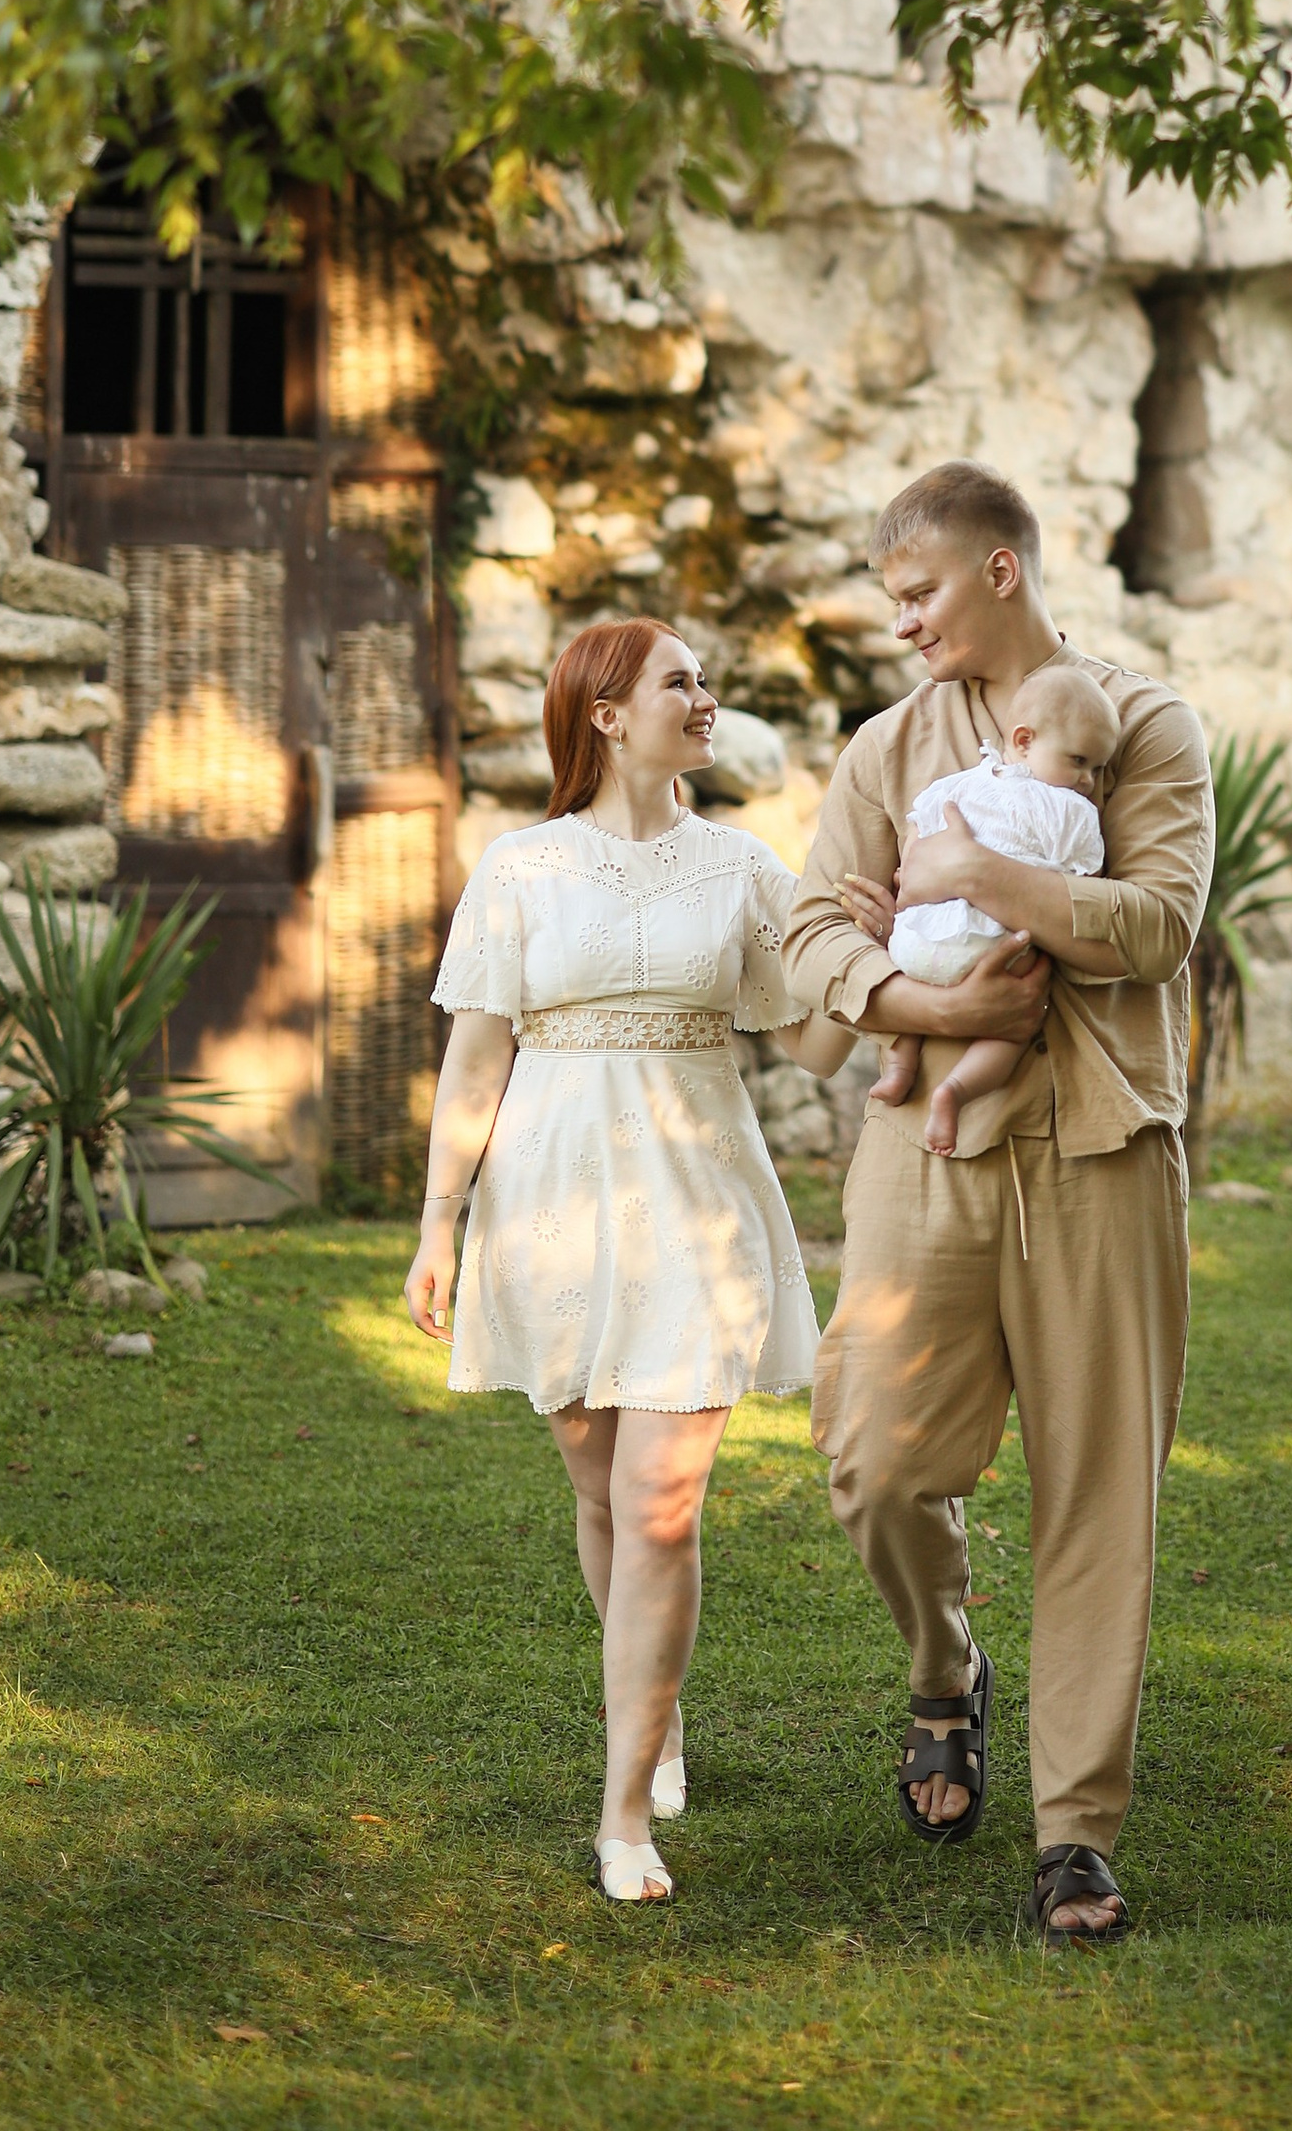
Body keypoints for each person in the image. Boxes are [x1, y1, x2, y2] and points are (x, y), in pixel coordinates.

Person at [784, 463, 1213, 1949]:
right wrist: (932, 999)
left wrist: (977, 875)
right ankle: (943, 1666)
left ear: (1001, 572)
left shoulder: (1145, 723)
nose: (902, 623)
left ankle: (1074, 1833)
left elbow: (1157, 925)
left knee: (1100, 1492)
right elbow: (815, 937)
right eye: (893, 600)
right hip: (929, 1145)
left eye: (920, 594)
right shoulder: (884, 747)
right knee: (874, 1458)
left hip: (1103, 1150)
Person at [405, 616, 857, 1908]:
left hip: (697, 1200)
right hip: (551, 1199)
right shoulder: (521, 866)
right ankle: (652, 1713)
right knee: (602, 1491)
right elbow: (477, 1056)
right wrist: (440, 1221)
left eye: (707, 680)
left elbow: (812, 1041)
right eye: (681, 681)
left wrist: (868, 956)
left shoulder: (744, 868)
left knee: (661, 1501)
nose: (705, 698)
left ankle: (621, 1819)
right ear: (606, 714)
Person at [864, 660, 1121, 1155]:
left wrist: (912, 882)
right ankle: (954, 1091)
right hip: (994, 947)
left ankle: (899, 1067)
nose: (1088, 780)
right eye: (1079, 761)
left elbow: (917, 835)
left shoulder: (961, 784)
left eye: (1097, 768)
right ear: (1023, 740)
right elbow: (1084, 884)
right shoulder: (1071, 811)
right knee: (1015, 1024)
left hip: (920, 940)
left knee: (912, 992)